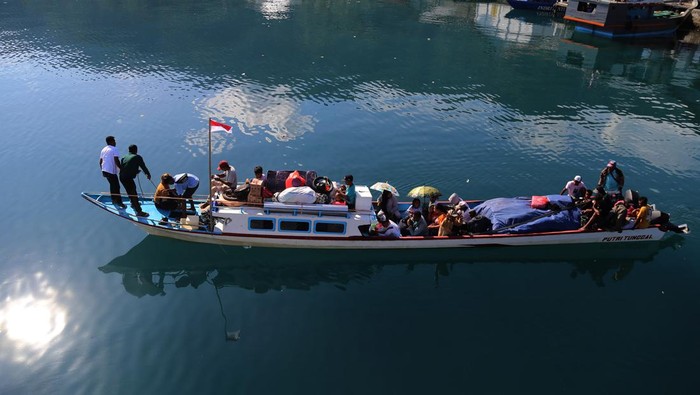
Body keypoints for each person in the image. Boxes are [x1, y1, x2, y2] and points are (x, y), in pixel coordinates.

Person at [119, 144, 151, 217]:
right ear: (136, 150)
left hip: (121, 177)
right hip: (128, 178)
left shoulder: (124, 157)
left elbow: (124, 168)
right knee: (134, 194)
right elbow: (143, 166)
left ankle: (133, 204)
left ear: (129, 150)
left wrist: (135, 171)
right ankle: (139, 211)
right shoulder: (137, 157)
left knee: (129, 191)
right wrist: (148, 174)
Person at [99, 136, 125, 208]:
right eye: (114, 141)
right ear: (110, 142)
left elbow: (100, 162)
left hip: (105, 171)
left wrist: (102, 170)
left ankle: (114, 200)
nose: (115, 142)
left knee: (112, 185)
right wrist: (122, 169)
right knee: (116, 186)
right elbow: (116, 160)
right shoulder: (114, 149)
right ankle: (120, 203)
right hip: (111, 171)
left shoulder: (103, 149)